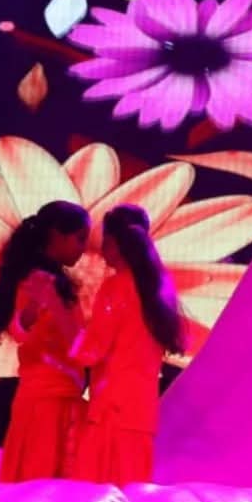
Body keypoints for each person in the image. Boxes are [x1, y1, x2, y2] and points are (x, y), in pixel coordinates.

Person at [37, 204, 185, 486]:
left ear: (114, 243)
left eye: (103, 240)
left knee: (95, 500)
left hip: (111, 414)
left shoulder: (116, 288)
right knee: (131, 497)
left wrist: (58, 310)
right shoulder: (159, 287)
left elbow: (90, 353)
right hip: (140, 415)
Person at [0, 201, 90, 482]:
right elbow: (25, 330)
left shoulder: (50, 282)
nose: (83, 248)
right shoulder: (40, 282)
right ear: (57, 235)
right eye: (80, 238)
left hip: (54, 397)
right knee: (42, 485)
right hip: (47, 401)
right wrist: (41, 307)